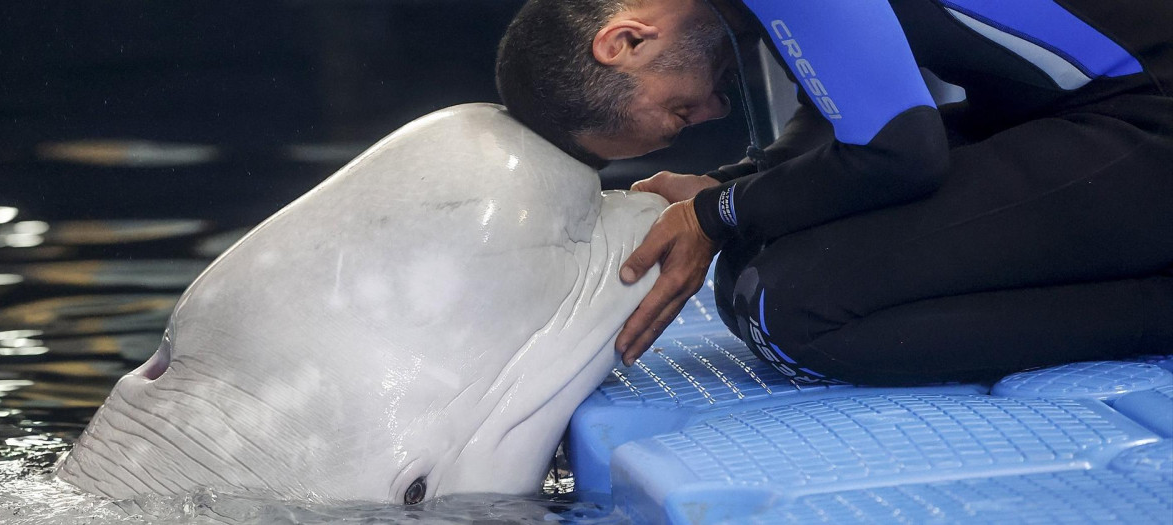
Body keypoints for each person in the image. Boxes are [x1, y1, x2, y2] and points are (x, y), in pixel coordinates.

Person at [495, 0, 1173, 385]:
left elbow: (899, 153)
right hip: (1077, 111)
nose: (710, 115)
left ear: (627, 39)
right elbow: (841, 116)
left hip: (1149, 118)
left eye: (676, 113)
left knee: (789, 311)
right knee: (764, 258)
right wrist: (734, 188)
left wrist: (713, 212)